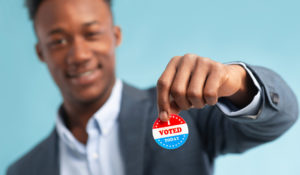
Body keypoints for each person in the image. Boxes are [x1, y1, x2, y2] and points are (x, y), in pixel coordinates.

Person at [6, 0, 298, 174]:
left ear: (115, 36)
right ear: (41, 53)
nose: (79, 55)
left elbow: (279, 119)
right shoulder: (23, 171)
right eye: (58, 41)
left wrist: (236, 82)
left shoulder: (187, 112)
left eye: (92, 33)